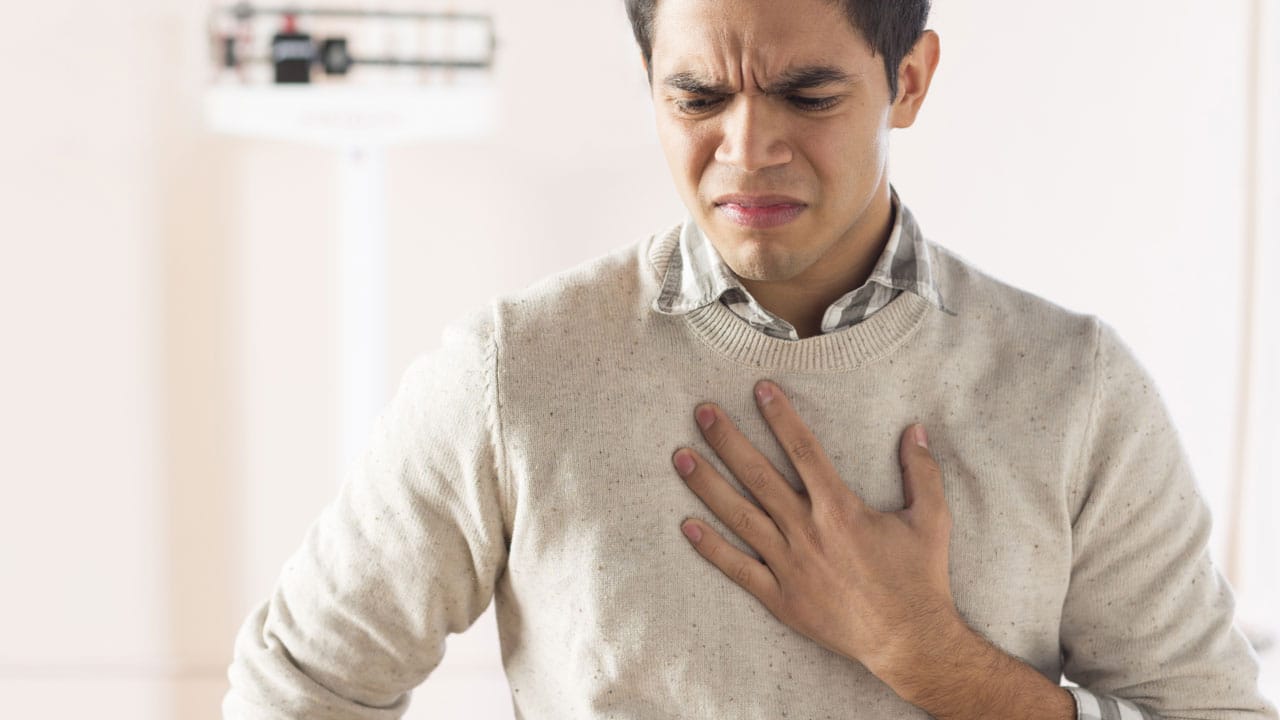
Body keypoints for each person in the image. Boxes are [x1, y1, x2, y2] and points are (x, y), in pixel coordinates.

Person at [223, 1, 1278, 718]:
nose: (746, 147)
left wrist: (932, 657)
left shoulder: (1072, 388)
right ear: (647, 80)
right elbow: (299, 689)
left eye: (805, 95)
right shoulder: (513, 373)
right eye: (696, 99)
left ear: (907, 79)